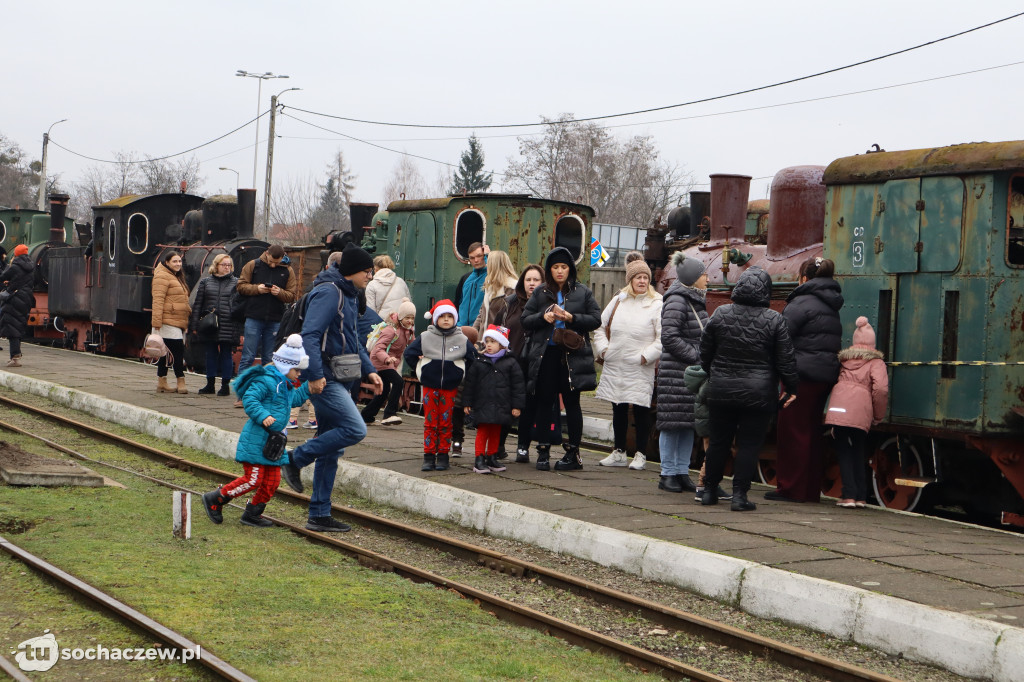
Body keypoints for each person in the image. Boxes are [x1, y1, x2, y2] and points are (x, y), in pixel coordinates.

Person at [280, 244, 383, 533]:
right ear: (353, 271)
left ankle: (319, 514)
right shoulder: (329, 293)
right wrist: (313, 375)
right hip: (326, 378)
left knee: (331, 447)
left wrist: (370, 371)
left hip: (342, 375)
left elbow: (352, 341)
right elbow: (310, 335)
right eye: (367, 271)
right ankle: (294, 459)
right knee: (355, 429)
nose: (370, 276)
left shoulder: (350, 295)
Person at [699, 267, 799, 511]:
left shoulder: (720, 314)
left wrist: (715, 374)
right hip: (758, 393)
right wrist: (792, 387)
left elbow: (704, 353)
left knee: (718, 443)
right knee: (749, 445)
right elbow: (785, 360)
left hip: (721, 390)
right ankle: (739, 497)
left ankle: (709, 491)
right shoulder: (775, 319)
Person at [201, 334, 311, 527]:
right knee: (253, 479)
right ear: (285, 366)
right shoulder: (266, 380)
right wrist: (263, 415)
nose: (299, 374)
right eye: (297, 370)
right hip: (257, 440)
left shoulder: (285, 385)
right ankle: (216, 498)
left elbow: (294, 400)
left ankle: (253, 512)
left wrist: (309, 388)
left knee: (272, 482)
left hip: (274, 444)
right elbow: (250, 399)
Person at [767, 257, 844, 503]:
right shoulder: (831, 303)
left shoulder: (801, 302)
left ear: (804, 278)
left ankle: (791, 489)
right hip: (824, 376)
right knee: (810, 431)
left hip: (799, 376)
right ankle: (810, 490)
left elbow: (781, 337)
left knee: (792, 432)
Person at [521, 247, 601, 471]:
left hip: (572, 356)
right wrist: (543, 317)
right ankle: (543, 451)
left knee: (573, 403)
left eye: (564, 267)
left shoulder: (582, 292)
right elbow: (525, 319)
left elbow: (596, 319)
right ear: (549, 270)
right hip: (546, 354)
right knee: (545, 401)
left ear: (570, 269)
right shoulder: (540, 293)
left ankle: (573, 453)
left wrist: (571, 317)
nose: (559, 271)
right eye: (555, 267)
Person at [593, 256, 663, 471]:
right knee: (618, 408)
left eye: (645, 277)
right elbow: (599, 326)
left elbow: (662, 337)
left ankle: (641, 454)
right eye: (638, 277)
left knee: (641, 410)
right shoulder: (618, 300)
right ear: (630, 280)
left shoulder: (657, 303)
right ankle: (619, 451)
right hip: (616, 364)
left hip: (640, 366)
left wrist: (645, 357)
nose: (642, 281)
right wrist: (604, 350)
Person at [653, 253, 709, 493]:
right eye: (703, 274)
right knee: (671, 424)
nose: (707, 278)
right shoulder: (677, 300)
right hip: (677, 372)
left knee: (687, 424)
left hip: (688, 374)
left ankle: (681, 471)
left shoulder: (694, 299)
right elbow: (669, 337)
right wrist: (697, 356)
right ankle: (667, 473)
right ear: (692, 278)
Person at [404, 300, 476, 472]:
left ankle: (443, 455)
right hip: (430, 386)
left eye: (449, 316)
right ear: (435, 319)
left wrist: (460, 372)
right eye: (442, 316)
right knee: (430, 421)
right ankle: (429, 456)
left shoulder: (461, 338)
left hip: (450, 387)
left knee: (445, 422)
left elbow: (473, 358)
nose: (445, 320)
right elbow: (409, 353)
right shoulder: (426, 337)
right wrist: (422, 369)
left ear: (455, 319)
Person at [825, 316, 889, 508]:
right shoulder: (876, 362)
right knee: (859, 450)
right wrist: (878, 415)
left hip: (839, 406)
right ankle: (860, 497)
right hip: (861, 409)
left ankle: (848, 496)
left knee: (843, 451)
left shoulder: (844, 359)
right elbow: (881, 390)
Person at [492, 263, 545, 463]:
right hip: (509, 363)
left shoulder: (546, 305)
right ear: (522, 282)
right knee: (505, 405)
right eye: (528, 280)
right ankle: (498, 445)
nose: (532, 284)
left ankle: (523, 447)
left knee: (528, 407)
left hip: (534, 364)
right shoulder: (509, 304)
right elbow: (496, 330)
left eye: (536, 280)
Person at [235, 244, 299, 404]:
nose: (273, 265)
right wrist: (257, 289)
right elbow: (240, 286)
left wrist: (280, 293)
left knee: (270, 359)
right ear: (266, 254)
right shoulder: (253, 265)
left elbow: (292, 295)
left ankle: (266, 395)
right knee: (248, 357)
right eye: (271, 261)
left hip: (275, 319)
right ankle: (241, 395)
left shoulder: (287, 270)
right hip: (254, 316)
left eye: (276, 263)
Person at [463, 324, 524, 474]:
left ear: (502, 344)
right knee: (483, 431)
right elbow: (470, 384)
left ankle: (491, 456)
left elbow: (518, 386)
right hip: (483, 403)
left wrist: (517, 406)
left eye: (493, 341)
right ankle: (479, 458)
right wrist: (467, 402)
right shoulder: (479, 362)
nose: (488, 345)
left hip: (502, 404)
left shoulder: (511, 363)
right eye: (487, 341)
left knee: (496, 431)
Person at [189, 254, 240, 396]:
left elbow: (239, 305)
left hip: (228, 322)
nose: (227, 268)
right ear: (216, 265)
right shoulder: (206, 282)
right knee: (210, 354)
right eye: (224, 265)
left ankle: (225, 385)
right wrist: (194, 325)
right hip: (209, 323)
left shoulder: (236, 282)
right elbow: (198, 304)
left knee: (226, 354)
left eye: (229, 265)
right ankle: (209, 384)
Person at [361, 297, 416, 426]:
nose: (410, 321)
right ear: (401, 317)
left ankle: (366, 416)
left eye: (412, 318)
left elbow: (413, 344)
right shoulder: (391, 331)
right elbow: (377, 349)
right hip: (379, 363)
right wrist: (387, 358)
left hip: (389, 363)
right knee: (398, 381)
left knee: (384, 390)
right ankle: (389, 413)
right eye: (407, 318)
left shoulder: (408, 331)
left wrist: (420, 353)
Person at [150, 250, 191, 393]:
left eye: (179, 261)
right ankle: (181, 380)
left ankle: (162, 381)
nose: (178, 264)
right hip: (167, 321)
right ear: (167, 262)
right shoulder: (162, 276)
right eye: (174, 261)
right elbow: (158, 300)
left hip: (176, 319)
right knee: (177, 351)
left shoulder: (175, 276)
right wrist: (156, 324)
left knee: (165, 353)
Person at [0, 244, 34, 367]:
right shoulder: (31, 266)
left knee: (11, 326)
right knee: (18, 325)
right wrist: (12, 282)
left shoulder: (14, 266)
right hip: (26, 298)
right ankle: (16, 355)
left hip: (14, 299)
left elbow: (2, 276)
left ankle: (15, 357)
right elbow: (23, 281)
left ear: (16, 254)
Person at [472, 250, 518, 338]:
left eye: (489, 263)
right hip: (484, 339)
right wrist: (473, 332)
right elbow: (482, 312)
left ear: (494, 266)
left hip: (499, 341)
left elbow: (512, 320)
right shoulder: (490, 285)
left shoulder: (512, 288)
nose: (486, 265)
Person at [364, 254, 410, 321]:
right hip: (401, 325)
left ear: (376, 269)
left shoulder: (372, 285)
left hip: (383, 326)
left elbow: (371, 311)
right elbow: (409, 305)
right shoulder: (401, 282)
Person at [454, 242, 488, 328]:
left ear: (484, 256)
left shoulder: (491, 276)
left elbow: (498, 272)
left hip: (480, 328)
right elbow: (457, 303)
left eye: (479, 256)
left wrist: (488, 256)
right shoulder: (465, 278)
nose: (476, 260)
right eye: (472, 258)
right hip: (461, 328)